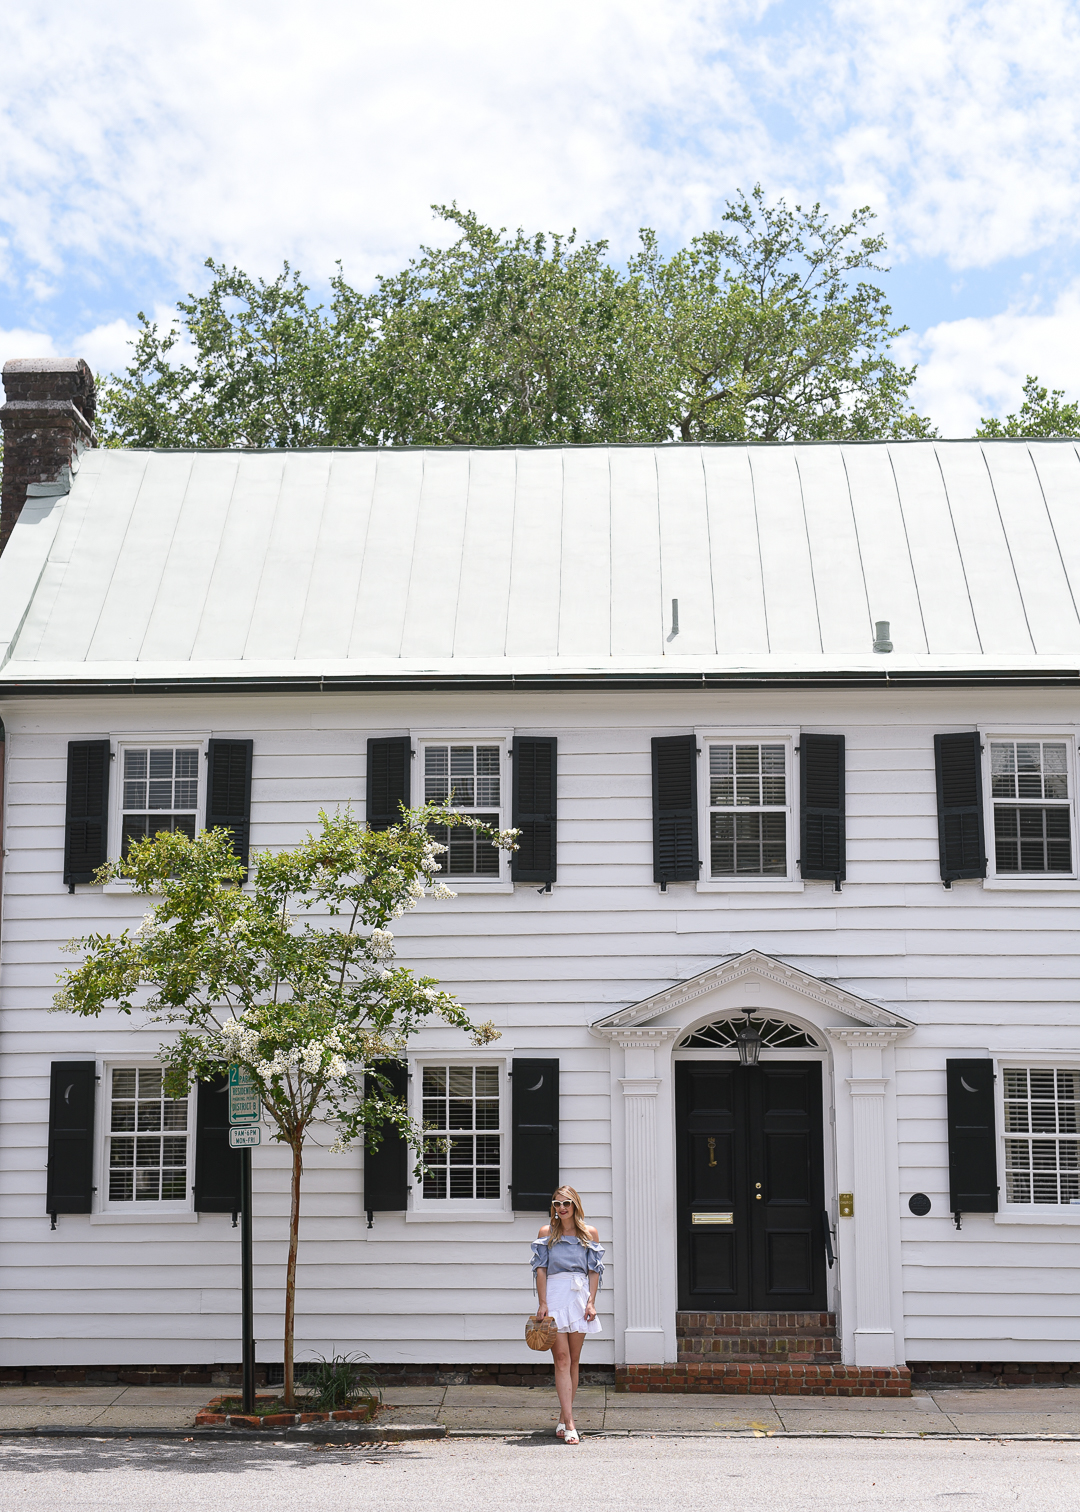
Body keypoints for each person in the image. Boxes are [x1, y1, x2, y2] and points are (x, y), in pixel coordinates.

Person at [530, 1184, 604, 1445]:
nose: (561, 1208)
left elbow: (594, 1271)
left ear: (575, 1206)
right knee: (560, 1358)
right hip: (555, 1295)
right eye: (556, 1204)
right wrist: (542, 1302)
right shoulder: (546, 1232)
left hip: (579, 1296)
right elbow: (540, 1270)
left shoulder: (589, 1233)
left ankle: (564, 1415)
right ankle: (570, 1423)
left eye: (566, 1203)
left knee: (573, 1360)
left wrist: (591, 1302)